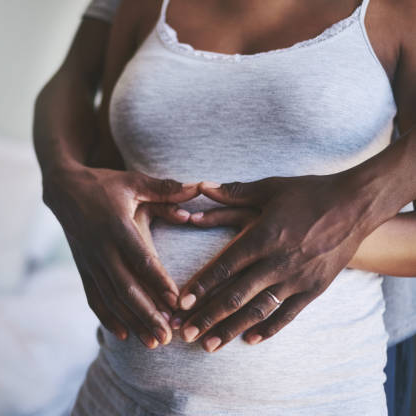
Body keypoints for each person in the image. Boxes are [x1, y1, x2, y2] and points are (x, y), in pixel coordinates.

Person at [33, 0, 416, 413]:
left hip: (315, 398)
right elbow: (100, 148)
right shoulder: (139, 7)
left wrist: (340, 233)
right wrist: (68, 183)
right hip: (116, 394)